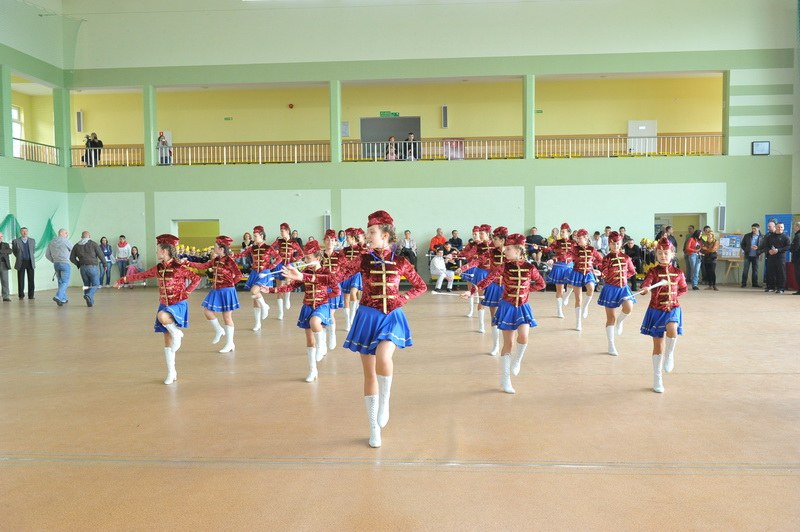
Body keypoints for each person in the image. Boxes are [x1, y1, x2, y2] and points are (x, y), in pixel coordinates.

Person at [283, 210, 426, 448]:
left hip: (391, 316)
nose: (367, 236)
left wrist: (402, 298)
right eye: (367, 231)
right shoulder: (363, 259)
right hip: (367, 317)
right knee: (369, 374)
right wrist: (304, 277)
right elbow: (334, 278)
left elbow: (420, 286)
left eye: (372, 232)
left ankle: (386, 400)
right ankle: (373, 428)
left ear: (385, 234)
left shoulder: (401, 262)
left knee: (384, 355)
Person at [462, 233, 546, 394]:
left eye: (508, 249)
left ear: (518, 250)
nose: (505, 251)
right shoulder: (504, 266)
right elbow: (487, 280)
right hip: (507, 306)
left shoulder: (530, 268)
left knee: (524, 337)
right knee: (509, 343)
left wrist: (526, 291)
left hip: (523, 306)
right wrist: (471, 292)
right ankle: (505, 379)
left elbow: (541, 284)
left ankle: (517, 360)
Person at [116, 234, 201, 385]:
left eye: (158, 250)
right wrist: (124, 280)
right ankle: (171, 372)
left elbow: (196, 279)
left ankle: (177, 333)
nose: (156, 252)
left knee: (162, 316)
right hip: (164, 303)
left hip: (178, 303)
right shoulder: (159, 267)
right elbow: (143, 275)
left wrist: (187, 292)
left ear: (165, 251)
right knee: (167, 339)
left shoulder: (179, 267)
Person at [262, 239, 340, 382]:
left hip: (322, 305)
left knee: (315, 322)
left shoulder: (326, 272)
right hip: (308, 305)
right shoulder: (304, 271)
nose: (306, 261)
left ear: (318, 257)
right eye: (305, 258)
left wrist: (324, 298)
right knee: (309, 340)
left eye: (308, 258)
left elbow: (337, 291)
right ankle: (312, 370)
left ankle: (322, 345)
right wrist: (271, 290)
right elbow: (290, 287)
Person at [638, 237, 688, 394]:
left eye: (666, 253)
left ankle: (670, 354)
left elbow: (683, 288)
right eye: (659, 253)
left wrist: (673, 297)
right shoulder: (653, 271)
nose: (663, 256)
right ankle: (657, 378)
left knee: (672, 329)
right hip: (656, 309)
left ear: (672, 254)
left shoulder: (678, 273)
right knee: (658, 345)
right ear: (656, 255)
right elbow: (647, 282)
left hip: (673, 308)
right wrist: (646, 288)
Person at [185, 235, 241, 354]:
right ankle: (219, 330)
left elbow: (239, 275)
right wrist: (188, 263)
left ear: (221, 249)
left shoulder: (229, 260)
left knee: (227, 317)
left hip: (227, 290)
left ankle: (230, 343)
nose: (213, 248)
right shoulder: (216, 260)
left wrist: (230, 284)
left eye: (215, 246)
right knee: (207, 311)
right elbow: (203, 266)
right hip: (216, 290)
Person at [597, 231, 636, 355]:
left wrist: (623, 277)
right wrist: (601, 274)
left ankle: (620, 321)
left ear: (621, 243)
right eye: (613, 244)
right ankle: (611, 344)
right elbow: (604, 271)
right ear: (609, 244)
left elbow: (631, 271)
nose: (616, 246)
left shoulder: (626, 258)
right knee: (611, 318)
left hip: (623, 288)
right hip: (610, 289)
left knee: (628, 307)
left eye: (618, 243)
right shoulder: (607, 258)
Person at [236, 225, 279, 330]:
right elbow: (241, 255)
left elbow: (279, 258)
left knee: (254, 291)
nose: (253, 238)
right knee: (255, 299)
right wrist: (230, 255)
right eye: (254, 236)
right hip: (255, 273)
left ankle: (265, 306)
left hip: (264, 273)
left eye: (255, 236)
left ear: (261, 235)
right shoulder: (252, 248)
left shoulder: (268, 248)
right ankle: (258, 323)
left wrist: (271, 267)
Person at [566, 228, 604, 331]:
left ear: (586, 238)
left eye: (580, 238)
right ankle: (578, 322)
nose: (578, 240)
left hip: (588, 272)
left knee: (591, 288)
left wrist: (598, 268)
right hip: (577, 273)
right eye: (577, 238)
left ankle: (586, 306)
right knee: (578, 299)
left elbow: (601, 260)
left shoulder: (592, 249)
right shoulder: (575, 248)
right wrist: (556, 259)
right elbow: (568, 255)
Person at [271, 222, 304, 319]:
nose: (281, 233)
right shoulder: (279, 241)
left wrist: (294, 259)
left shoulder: (294, 242)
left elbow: (301, 254)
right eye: (280, 231)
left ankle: (287, 298)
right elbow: (270, 249)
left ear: (288, 231)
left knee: (288, 283)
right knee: (279, 288)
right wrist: (276, 255)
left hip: (289, 264)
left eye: (283, 231)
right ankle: (280, 312)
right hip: (280, 265)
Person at [543, 223, 575, 319]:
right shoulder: (556, 242)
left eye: (563, 232)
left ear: (569, 233)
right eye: (561, 231)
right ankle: (559, 310)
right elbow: (548, 249)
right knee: (559, 290)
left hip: (569, 266)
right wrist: (540, 248)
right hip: (558, 266)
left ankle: (567, 296)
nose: (561, 233)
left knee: (572, 283)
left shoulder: (573, 243)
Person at [321, 229, 344, 350]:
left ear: (335, 242)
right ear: (324, 241)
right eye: (327, 240)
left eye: (332, 240)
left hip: (334, 288)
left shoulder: (340, 256)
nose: (330, 242)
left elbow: (346, 270)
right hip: (321, 288)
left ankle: (332, 335)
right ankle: (322, 343)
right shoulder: (319, 256)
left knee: (330, 313)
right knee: (322, 315)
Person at [69, 231, 106, 307]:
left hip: (82, 268)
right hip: (92, 267)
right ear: (89, 236)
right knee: (96, 284)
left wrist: (78, 264)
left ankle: (89, 302)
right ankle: (89, 295)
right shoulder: (93, 244)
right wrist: (105, 264)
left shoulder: (76, 245)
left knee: (86, 285)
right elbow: (101, 255)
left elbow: (71, 258)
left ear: (81, 237)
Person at [340, 228, 365, 331]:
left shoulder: (360, 249)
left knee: (353, 293)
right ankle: (348, 322)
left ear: (353, 238)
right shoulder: (345, 250)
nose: (346, 239)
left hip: (356, 274)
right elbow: (341, 261)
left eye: (348, 237)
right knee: (346, 298)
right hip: (346, 274)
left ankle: (353, 318)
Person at [760, 221, 791, 293]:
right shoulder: (769, 237)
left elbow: (788, 246)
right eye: (778, 227)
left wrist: (778, 250)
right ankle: (771, 287)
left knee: (781, 273)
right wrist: (769, 251)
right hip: (771, 257)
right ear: (775, 227)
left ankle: (781, 288)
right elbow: (765, 246)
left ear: (783, 228)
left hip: (780, 258)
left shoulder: (786, 237)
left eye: (781, 227)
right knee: (770, 272)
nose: (780, 228)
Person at [45, 228, 72, 306]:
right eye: (66, 233)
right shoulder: (66, 241)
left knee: (60, 281)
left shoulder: (51, 242)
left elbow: (47, 255)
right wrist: (68, 258)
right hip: (65, 263)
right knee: (65, 282)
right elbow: (73, 250)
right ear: (61, 233)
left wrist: (54, 260)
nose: (67, 235)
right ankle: (58, 296)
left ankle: (63, 299)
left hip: (56, 264)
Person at [11, 227, 36, 300]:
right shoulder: (15, 241)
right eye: (23, 231)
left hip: (30, 262)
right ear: (20, 232)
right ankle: (21, 296)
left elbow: (33, 251)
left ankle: (31, 295)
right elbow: (14, 252)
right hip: (21, 262)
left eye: (26, 231)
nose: (24, 232)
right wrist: (19, 257)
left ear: (27, 232)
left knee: (31, 280)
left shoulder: (32, 240)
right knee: (20, 279)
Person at [739, 223, 762, 288]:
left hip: (756, 256)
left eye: (755, 229)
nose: (753, 230)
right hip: (747, 256)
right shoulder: (747, 235)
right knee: (745, 270)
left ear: (758, 228)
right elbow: (742, 245)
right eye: (752, 228)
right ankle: (743, 283)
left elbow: (763, 246)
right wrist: (748, 248)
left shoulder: (762, 237)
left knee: (755, 270)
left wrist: (758, 248)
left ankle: (755, 284)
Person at [699, 226, 719, 291]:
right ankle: (710, 285)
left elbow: (713, 250)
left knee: (712, 271)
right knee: (708, 272)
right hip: (706, 258)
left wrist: (706, 249)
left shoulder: (715, 241)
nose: (708, 235)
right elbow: (702, 250)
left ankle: (714, 285)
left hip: (713, 258)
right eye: (708, 234)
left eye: (710, 234)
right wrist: (704, 249)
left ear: (712, 235)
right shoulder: (705, 242)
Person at [0, 232, 11, 302]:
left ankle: (6, 297)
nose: (0, 237)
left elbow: (10, 251)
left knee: (5, 281)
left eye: (1, 236)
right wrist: (4, 252)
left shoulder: (6, 244)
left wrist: (1, 251)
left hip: (4, 264)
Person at [790, 221, 800, 295]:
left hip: (798, 259)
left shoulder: (798, 236)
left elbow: (795, 247)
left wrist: (791, 249)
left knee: (798, 274)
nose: (794, 228)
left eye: (794, 226)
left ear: (798, 227)